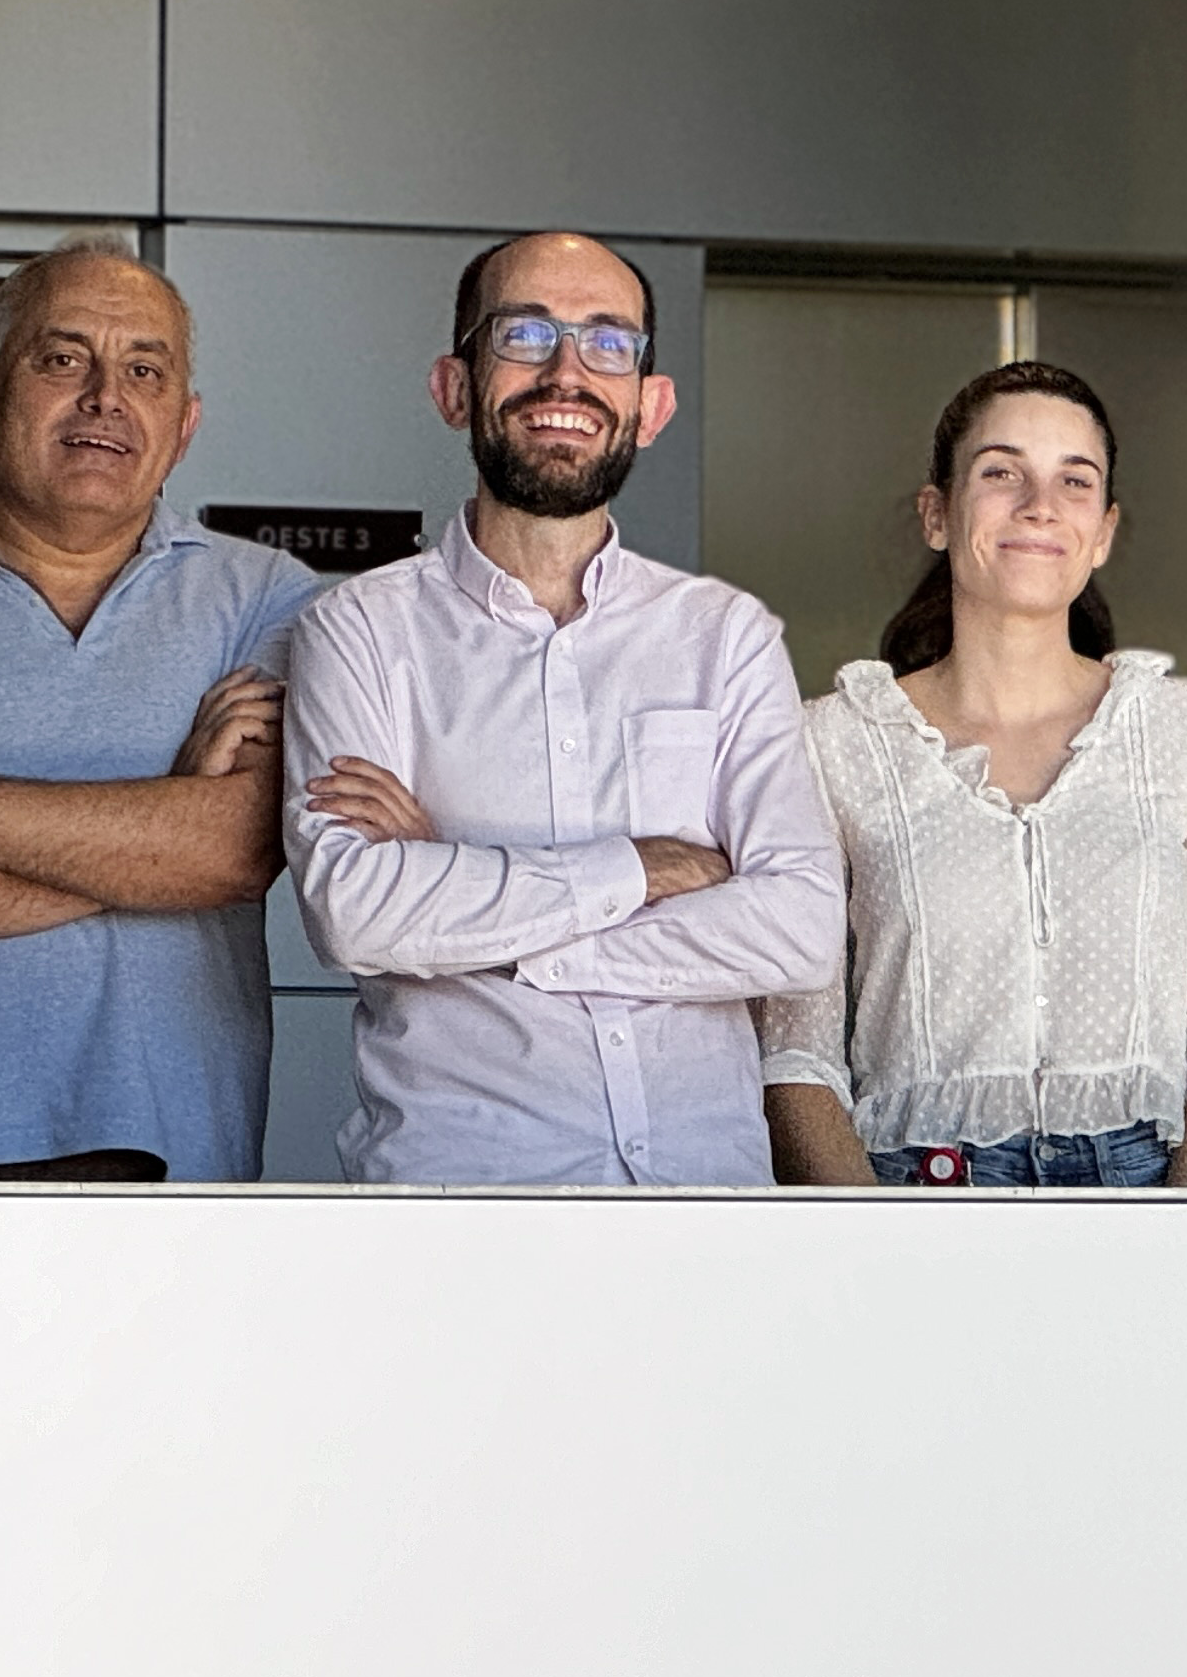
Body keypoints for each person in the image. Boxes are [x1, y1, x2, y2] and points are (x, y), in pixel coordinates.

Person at [280, 230, 844, 1185]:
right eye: (524, 335)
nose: (568, 372)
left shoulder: (725, 635)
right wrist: (641, 867)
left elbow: (797, 928)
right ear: (454, 387)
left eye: (609, 343)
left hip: (704, 1207)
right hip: (465, 1209)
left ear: (649, 406)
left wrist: (473, 910)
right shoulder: (359, 631)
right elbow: (359, 915)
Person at [757, 364, 1187, 1186]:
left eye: (1074, 481)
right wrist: (868, 1242)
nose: (1040, 505)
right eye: (1001, 472)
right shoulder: (830, 743)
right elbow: (795, 1051)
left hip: (1145, 1193)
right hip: (914, 1190)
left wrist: (1185, 1245)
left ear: (1105, 530)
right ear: (937, 514)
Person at [0, 239, 318, 1184]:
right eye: (62, 358)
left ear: (185, 424)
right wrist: (161, 815)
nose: (104, 399)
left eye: (144, 371)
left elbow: (234, 851)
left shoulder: (269, 598)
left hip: (181, 1162)